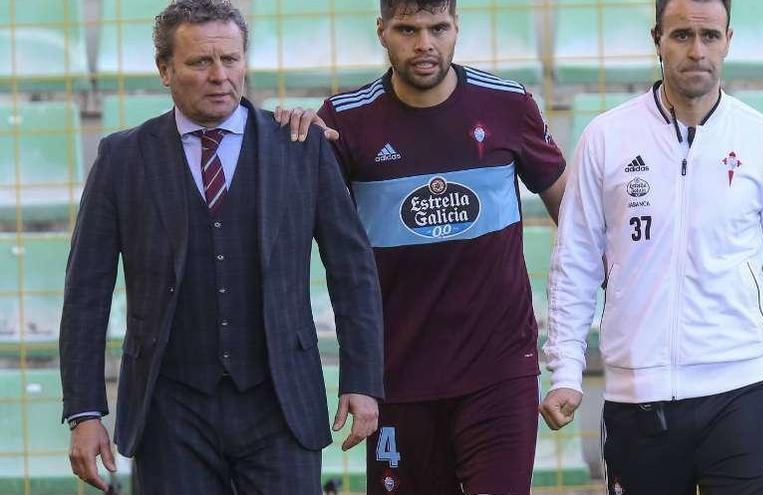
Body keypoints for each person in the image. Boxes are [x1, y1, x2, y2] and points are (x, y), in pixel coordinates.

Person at [59, 1, 384, 493]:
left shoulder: (300, 146)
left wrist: (361, 381)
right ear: (164, 70)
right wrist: (84, 411)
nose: (219, 76)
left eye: (230, 60)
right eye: (199, 62)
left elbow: (352, 272)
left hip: (281, 404)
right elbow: (87, 291)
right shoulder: (122, 158)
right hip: (169, 410)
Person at [540, 0, 763, 493]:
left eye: (709, 36)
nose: (696, 50)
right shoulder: (605, 138)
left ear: (728, 40)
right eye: (681, 35)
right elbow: (575, 261)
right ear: (657, 40)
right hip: (637, 397)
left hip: (742, 391)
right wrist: (566, 369)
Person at [284, 1, 566, 493]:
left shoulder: (508, 105)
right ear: (381, 32)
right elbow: (291, 227)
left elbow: (575, 218)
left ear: (456, 27)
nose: (424, 44)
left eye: (438, 28)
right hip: (397, 375)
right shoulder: (345, 120)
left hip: (498, 370)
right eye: (407, 29)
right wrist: (287, 137)